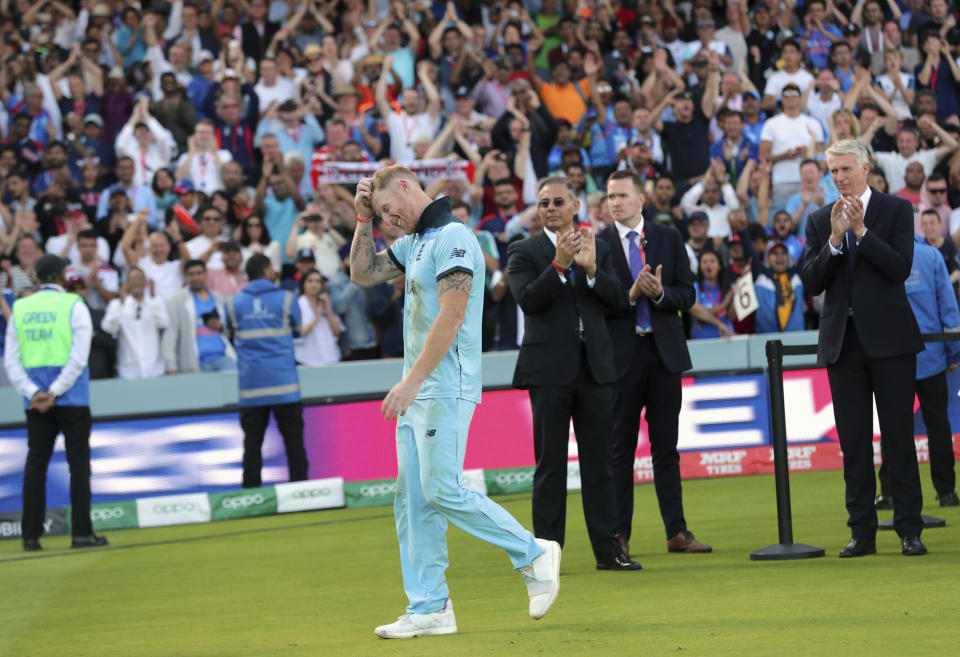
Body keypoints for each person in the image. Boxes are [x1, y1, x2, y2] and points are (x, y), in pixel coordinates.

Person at [349, 166, 560, 638]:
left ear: (405, 186)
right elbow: (362, 273)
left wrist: (411, 381)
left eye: (387, 209)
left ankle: (534, 553)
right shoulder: (416, 242)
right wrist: (363, 219)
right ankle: (429, 606)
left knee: (441, 488)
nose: (388, 219)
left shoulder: (455, 237)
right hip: (420, 389)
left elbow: (454, 312)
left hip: (443, 385)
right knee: (412, 499)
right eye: (380, 214)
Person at [800, 139, 927, 557]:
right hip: (843, 346)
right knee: (853, 443)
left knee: (898, 438)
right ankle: (862, 532)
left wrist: (861, 233)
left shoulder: (895, 210)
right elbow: (812, 282)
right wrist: (836, 241)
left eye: (844, 169)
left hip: (891, 343)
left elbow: (899, 267)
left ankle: (910, 529)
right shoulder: (820, 220)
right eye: (832, 171)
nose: (838, 178)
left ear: (866, 167)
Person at [508, 177, 641, 571]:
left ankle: (608, 550)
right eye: (544, 202)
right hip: (549, 372)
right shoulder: (524, 251)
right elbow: (528, 301)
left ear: (576, 205)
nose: (550, 208)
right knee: (550, 466)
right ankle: (546, 555)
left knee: (600, 464)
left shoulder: (598, 247)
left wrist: (595, 270)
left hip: (595, 369)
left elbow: (620, 302)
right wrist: (559, 266)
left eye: (558, 201)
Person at [597, 171, 710, 557]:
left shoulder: (668, 237)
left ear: (641, 199)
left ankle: (677, 531)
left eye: (622, 195)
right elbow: (597, 305)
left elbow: (687, 293)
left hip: (662, 356)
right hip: (620, 360)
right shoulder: (598, 246)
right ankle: (618, 535)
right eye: (611, 196)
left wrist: (660, 293)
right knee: (619, 451)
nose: (615, 202)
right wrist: (628, 295)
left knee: (666, 448)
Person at [3, 254, 108, 551]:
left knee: (36, 465)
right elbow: (79, 356)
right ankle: (82, 534)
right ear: (62, 276)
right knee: (78, 465)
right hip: (72, 397)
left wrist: (34, 392)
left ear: (37, 278)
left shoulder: (21, 307)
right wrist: (57, 391)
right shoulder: (74, 304)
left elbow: (11, 360)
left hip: (35, 400)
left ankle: (30, 536)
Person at [876, 234, 960, 508]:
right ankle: (946, 491)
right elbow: (948, 307)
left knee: (893, 428)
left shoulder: (880, 257)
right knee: (938, 425)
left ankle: (889, 492)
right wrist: (953, 352)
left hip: (893, 357)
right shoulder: (932, 256)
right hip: (931, 357)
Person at [225, 254, 307, 489]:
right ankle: (301, 491)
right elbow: (296, 330)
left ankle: (251, 493)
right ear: (266, 271)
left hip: (251, 387)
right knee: (293, 440)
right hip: (285, 385)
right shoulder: (287, 299)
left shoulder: (233, 303)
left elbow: (230, 332)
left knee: (252, 441)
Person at [162, 259, 237, 374]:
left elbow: (228, 330)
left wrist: (221, 327)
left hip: (222, 357)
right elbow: (171, 334)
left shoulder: (217, 297)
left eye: (199, 273)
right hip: (195, 362)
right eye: (191, 274)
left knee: (232, 389)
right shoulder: (178, 300)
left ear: (206, 274)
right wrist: (171, 365)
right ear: (185, 277)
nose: (195, 277)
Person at [100, 266, 169, 379]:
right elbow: (108, 328)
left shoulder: (155, 301)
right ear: (126, 283)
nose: (136, 282)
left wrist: (153, 300)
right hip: (128, 371)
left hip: (155, 369)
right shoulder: (117, 304)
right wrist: (121, 304)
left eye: (139, 278)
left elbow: (164, 323)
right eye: (132, 279)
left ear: (146, 282)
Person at [293, 268, 342, 366]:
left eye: (318, 281)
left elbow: (337, 331)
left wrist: (327, 309)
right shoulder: (297, 304)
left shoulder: (325, 302)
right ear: (303, 284)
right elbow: (297, 334)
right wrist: (316, 318)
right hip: (308, 360)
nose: (314, 285)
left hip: (331, 358)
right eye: (310, 281)